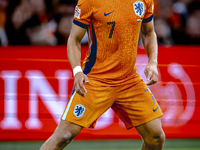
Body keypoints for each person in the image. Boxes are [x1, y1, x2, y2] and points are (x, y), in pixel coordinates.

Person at [40, 0, 165, 150]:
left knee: (156, 137)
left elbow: (149, 32)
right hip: (95, 79)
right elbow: (74, 39)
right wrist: (77, 71)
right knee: (63, 136)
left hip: (128, 79)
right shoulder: (89, 1)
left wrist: (153, 62)